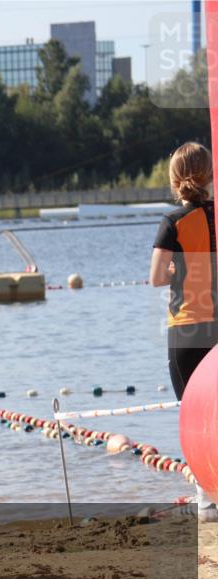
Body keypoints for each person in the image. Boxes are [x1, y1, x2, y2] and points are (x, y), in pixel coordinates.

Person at [149, 141, 218, 520]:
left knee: (194, 417)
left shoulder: (172, 221)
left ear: (175, 180)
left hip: (188, 329)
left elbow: (157, 277)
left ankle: (207, 503)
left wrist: (180, 268)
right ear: (209, 175)